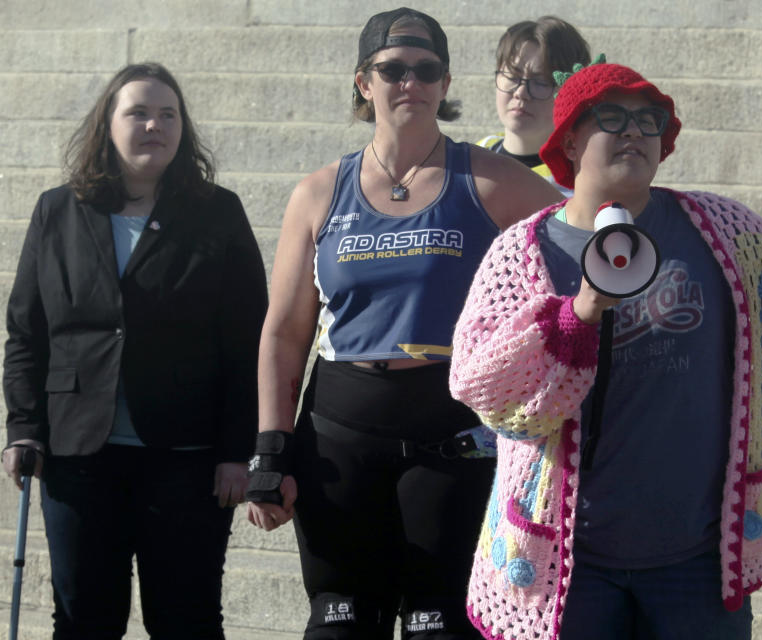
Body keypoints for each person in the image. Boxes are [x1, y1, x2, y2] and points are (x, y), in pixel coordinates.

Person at [449, 60, 762, 640]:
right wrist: (578, 314)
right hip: (568, 568)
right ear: (570, 139)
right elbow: (482, 388)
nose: (633, 131)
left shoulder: (725, 232)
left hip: (697, 563)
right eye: (612, 117)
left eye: (649, 120)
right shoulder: (521, 254)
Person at [244, 7, 561, 640]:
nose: (410, 82)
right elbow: (283, 331)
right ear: (364, 82)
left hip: (449, 436)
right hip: (340, 434)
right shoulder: (318, 192)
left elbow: (590, 236)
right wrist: (271, 448)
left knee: (436, 626)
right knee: (339, 623)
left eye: (426, 70)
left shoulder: (492, 179)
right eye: (393, 69)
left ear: (445, 84)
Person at [1, 62, 268, 639]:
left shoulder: (217, 213)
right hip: (78, 457)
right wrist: (23, 427)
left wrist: (235, 451)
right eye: (139, 113)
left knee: (187, 620)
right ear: (108, 125)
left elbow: (247, 339)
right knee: (82, 621)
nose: (155, 125)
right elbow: (27, 333)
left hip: (187, 459)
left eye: (168, 114)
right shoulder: (57, 211)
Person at [477, 16, 591, 196]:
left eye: (541, 82)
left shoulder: (581, 186)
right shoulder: (470, 160)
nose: (521, 92)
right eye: (512, 76)